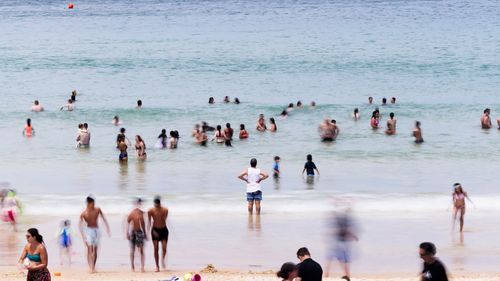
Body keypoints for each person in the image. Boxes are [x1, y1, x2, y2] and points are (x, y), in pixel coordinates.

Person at [79, 196, 110, 273]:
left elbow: (103, 218)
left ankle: (93, 267)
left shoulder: (97, 210)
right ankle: (90, 267)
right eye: (92, 203)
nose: (94, 205)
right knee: (89, 249)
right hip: (89, 231)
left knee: (95, 249)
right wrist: (83, 237)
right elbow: (80, 225)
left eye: (94, 203)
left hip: (97, 230)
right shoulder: (84, 213)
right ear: (88, 203)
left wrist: (107, 228)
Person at [325, 210, 358, 281]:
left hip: (339, 244)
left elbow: (339, 231)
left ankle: (327, 274)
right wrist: (354, 236)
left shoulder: (341, 225)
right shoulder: (343, 225)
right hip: (342, 244)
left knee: (334, 259)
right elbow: (347, 231)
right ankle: (346, 275)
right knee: (344, 260)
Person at [148, 196, 169, 272]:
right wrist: (150, 231)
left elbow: (164, 219)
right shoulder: (150, 211)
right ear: (154, 204)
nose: (157, 206)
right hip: (155, 230)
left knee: (164, 248)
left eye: (158, 204)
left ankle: (163, 260)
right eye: (155, 205)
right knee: (156, 248)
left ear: (160, 203)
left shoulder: (165, 210)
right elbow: (149, 222)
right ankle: (157, 266)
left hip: (163, 230)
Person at [127, 198, 147, 272]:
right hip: (133, 232)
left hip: (139, 232)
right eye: (138, 203)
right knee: (133, 250)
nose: (139, 205)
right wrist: (127, 233)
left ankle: (142, 267)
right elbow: (128, 222)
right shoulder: (132, 212)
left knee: (141, 250)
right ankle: (132, 266)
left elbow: (143, 223)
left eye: (140, 203)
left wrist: (145, 233)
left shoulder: (142, 212)